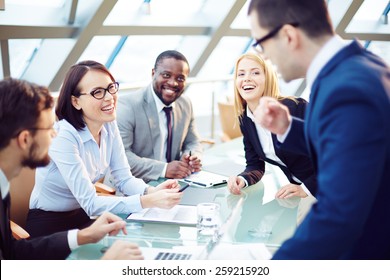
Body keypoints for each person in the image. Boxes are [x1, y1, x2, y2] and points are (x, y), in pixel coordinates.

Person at [248, 0, 390, 259]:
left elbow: (338, 217)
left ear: (289, 35)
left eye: (261, 43)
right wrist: (287, 127)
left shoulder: (346, 89)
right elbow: (350, 143)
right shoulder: (360, 67)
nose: (263, 55)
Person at [26, 60, 183, 238]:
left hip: (82, 215)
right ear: (76, 101)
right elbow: (91, 203)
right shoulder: (63, 137)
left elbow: (124, 179)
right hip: (49, 224)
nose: (109, 97)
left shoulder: (108, 124)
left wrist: (151, 191)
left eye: (111, 88)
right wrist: (147, 201)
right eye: (98, 92)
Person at [0, 77, 143, 260]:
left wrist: (82, 236)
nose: (55, 133)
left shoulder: (3, 186)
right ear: (25, 139)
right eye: (49, 128)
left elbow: (15, 253)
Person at [227, 52, 317, 199]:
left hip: (327, 187)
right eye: (241, 74)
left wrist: (306, 188)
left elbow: (333, 153)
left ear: (268, 78)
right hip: (295, 194)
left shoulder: (295, 108)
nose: (247, 78)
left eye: (255, 72)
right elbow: (254, 164)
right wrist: (242, 180)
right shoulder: (246, 119)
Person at [116, 50, 203, 182]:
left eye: (180, 78)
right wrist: (164, 169)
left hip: (175, 183)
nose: (173, 83)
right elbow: (121, 157)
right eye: (166, 75)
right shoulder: (128, 106)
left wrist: (192, 157)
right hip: (135, 187)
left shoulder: (185, 104)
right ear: (153, 73)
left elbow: (193, 141)